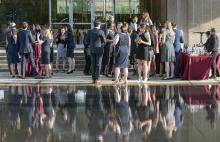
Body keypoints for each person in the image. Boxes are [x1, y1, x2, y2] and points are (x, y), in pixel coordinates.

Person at [87, 19, 106, 84]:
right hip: (99, 49)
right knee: (98, 64)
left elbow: (87, 40)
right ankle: (97, 79)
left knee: (93, 64)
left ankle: (93, 79)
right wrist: (102, 44)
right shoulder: (101, 31)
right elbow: (104, 41)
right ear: (99, 24)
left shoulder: (89, 31)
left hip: (92, 49)